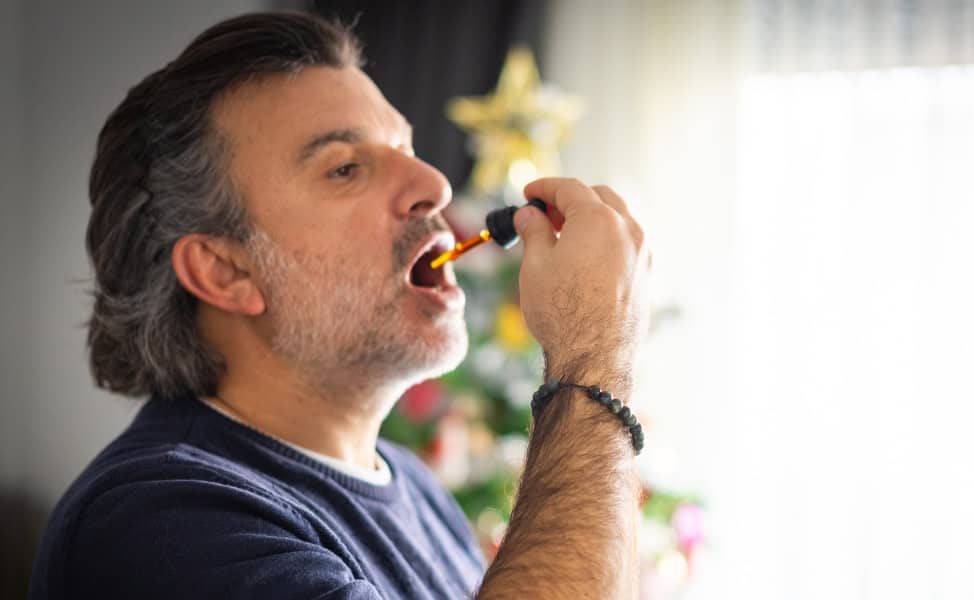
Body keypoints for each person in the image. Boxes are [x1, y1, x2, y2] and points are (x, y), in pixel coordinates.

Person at [29, 11, 650, 600]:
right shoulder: (161, 523)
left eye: (405, 148)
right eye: (345, 168)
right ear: (224, 270)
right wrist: (592, 357)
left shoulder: (415, 490)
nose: (433, 182)